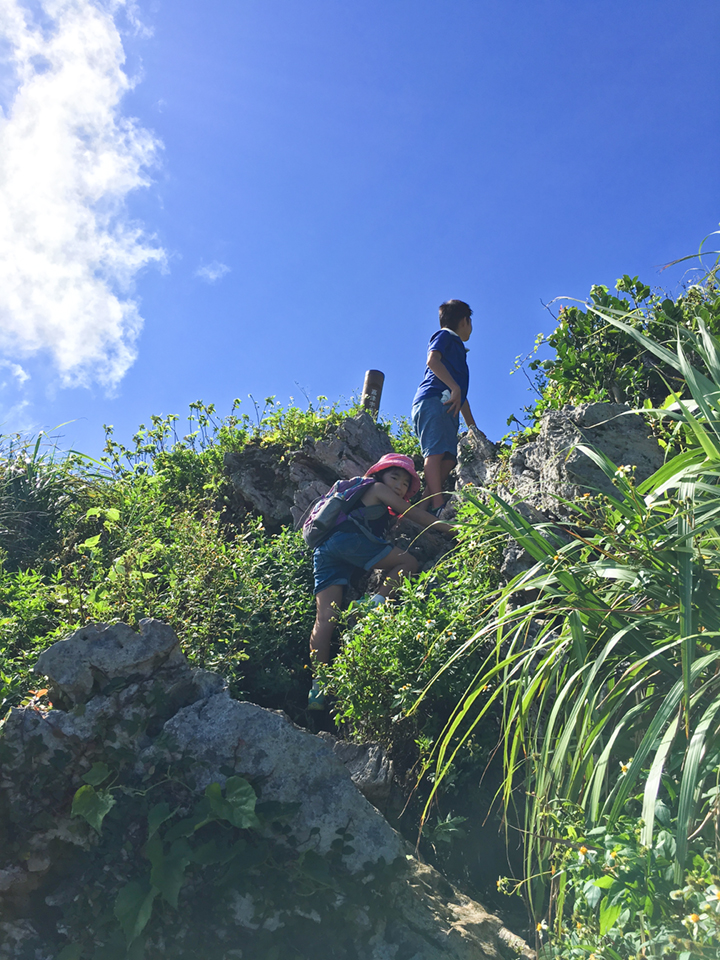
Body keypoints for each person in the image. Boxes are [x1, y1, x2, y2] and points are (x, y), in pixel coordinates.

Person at [307, 453, 450, 710]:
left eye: (405, 484)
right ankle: (374, 604)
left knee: (325, 618)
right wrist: (452, 528)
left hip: (324, 549)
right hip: (349, 540)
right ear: (380, 475)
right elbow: (413, 514)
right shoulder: (376, 488)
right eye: (395, 477)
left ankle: (317, 686)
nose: (399, 486)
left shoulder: (363, 496)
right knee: (408, 564)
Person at [411, 300, 482, 514]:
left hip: (446, 407)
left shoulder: (458, 348)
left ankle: (423, 506)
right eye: (470, 322)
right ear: (464, 321)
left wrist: (473, 429)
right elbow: (432, 361)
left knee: (449, 458)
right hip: (433, 401)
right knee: (434, 454)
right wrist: (454, 387)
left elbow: (461, 396)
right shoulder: (444, 335)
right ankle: (438, 505)